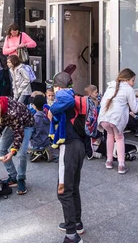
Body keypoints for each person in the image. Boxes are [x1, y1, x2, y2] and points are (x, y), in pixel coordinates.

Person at [47, 72, 85, 243]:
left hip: (69, 148)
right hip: (79, 147)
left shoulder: (65, 95)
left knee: (63, 191)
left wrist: (52, 109)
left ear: (58, 86)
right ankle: (77, 223)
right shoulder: (75, 96)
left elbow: (65, 99)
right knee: (73, 187)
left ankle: (71, 235)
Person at [0, 96, 35, 195]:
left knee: (21, 154)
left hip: (26, 125)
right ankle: (13, 177)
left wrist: (12, 152)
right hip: (13, 124)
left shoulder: (13, 113)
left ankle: (21, 179)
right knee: (0, 149)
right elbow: (3, 121)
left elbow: (19, 134)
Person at [97, 68, 138, 174]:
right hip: (116, 119)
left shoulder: (110, 86)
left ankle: (109, 161)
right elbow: (135, 109)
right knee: (119, 138)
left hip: (104, 117)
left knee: (110, 136)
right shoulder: (128, 89)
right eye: (133, 80)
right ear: (127, 79)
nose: (133, 83)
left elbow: (102, 103)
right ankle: (121, 165)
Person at [30, 95, 52, 162]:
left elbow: (32, 129)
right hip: (47, 139)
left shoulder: (35, 117)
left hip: (36, 141)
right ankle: (43, 151)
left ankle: (36, 152)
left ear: (35, 106)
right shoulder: (48, 114)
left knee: (26, 141)